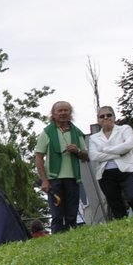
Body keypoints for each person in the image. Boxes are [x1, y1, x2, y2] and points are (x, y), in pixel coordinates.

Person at [32, 100, 90, 234]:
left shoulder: (76, 132)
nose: (63, 113)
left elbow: (86, 156)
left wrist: (78, 151)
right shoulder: (47, 132)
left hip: (73, 179)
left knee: (72, 214)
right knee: (57, 215)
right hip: (54, 179)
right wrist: (44, 180)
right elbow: (38, 157)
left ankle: (73, 240)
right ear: (53, 114)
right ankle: (57, 243)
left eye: (66, 110)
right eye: (60, 111)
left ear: (70, 113)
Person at [87, 106, 133, 219]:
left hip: (127, 171)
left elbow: (128, 146)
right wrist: (118, 153)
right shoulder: (94, 138)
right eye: (102, 116)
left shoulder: (125, 129)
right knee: (115, 205)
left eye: (109, 115)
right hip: (105, 174)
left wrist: (105, 150)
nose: (105, 118)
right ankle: (124, 228)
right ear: (98, 120)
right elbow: (93, 156)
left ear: (114, 117)